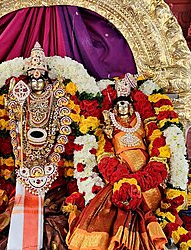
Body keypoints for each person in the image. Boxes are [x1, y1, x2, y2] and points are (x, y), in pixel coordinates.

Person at [67, 79, 167, 250]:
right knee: (113, 209)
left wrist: (150, 171)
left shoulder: (142, 120)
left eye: (126, 103)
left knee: (150, 201)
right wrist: (120, 177)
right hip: (121, 172)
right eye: (119, 104)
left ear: (132, 106)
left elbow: (155, 141)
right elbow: (104, 151)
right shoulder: (108, 123)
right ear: (113, 107)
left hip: (145, 170)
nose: (123, 107)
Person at [4, 42, 72, 249]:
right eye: (32, 79)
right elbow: (14, 124)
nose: (36, 84)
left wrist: (53, 154)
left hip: (51, 154)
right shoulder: (23, 96)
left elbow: (63, 125)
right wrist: (15, 106)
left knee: (53, 204)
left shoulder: (55, 95)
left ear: (46, 79)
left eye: (39, 79)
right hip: (26, 155)